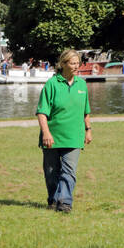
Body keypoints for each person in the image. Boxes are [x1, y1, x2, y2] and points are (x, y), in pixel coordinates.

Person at [36, 48, 92, 212]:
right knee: (52, 172)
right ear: (63, 64)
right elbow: (41, 112)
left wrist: (88, 129)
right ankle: (53, 200)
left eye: (77, 63)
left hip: (74, 136)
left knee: (69, 171)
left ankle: (65, 202)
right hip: (52, 136)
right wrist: (46, 133)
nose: (76, 66)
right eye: (72, 63)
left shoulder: (82, 84)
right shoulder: (52, 84)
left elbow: (85, 111)